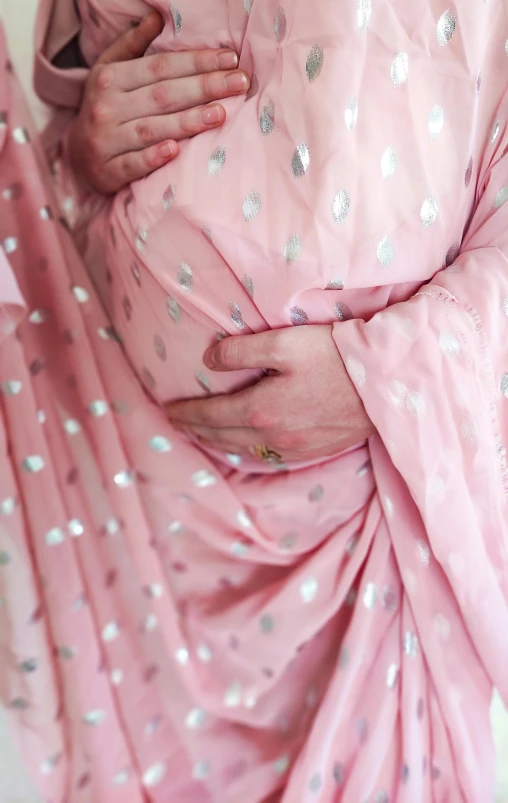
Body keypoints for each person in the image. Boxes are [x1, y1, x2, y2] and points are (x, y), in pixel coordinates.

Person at [1, 0, 508, 800]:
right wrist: (90, 135)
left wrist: (380, 379)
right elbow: (93, 63)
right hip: (132, 494)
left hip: (372, 542)